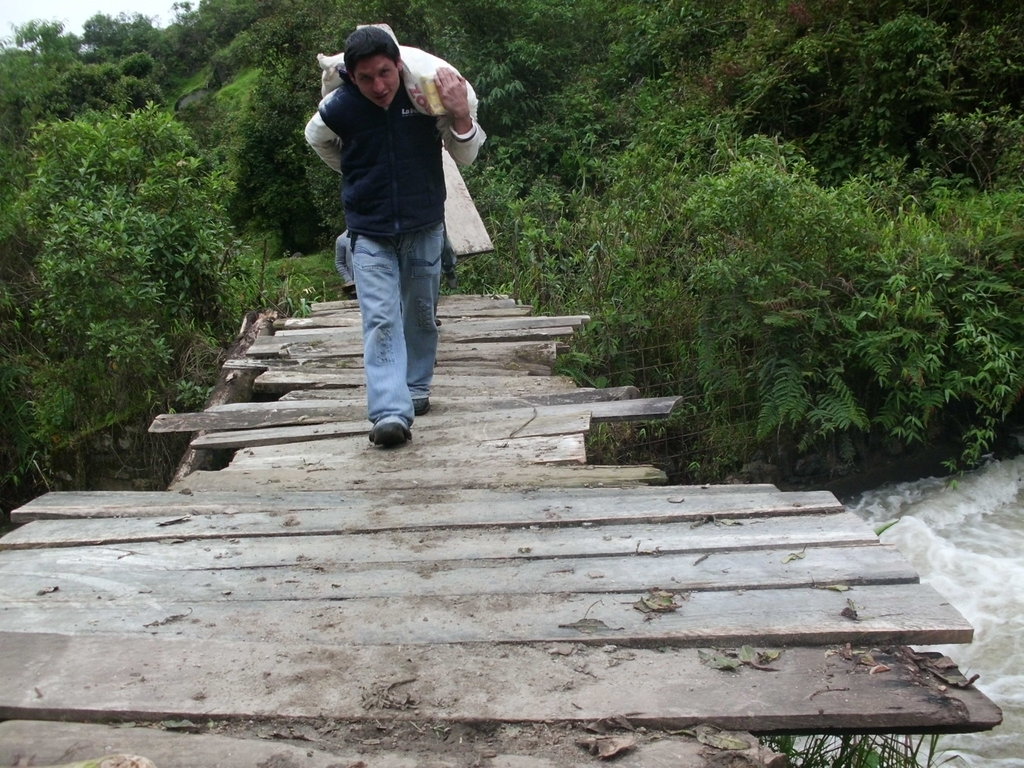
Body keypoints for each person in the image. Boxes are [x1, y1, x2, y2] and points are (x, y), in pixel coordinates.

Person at [305, 26, 485, 447]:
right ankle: (389, 411)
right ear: (351, 77)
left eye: (385, 73)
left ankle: (416, 387)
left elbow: (465, 156)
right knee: (381, 318)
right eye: (366, 78)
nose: (379, 86)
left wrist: (461, 114)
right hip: (369, 232)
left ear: (398, 65)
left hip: (424, 227)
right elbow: (317, 139)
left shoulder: (424, 100)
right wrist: (351, 169)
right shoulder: (341, 108)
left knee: (420, 314)